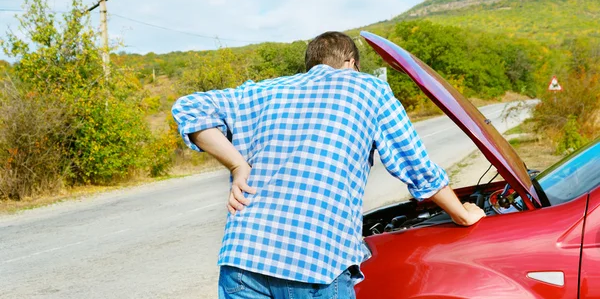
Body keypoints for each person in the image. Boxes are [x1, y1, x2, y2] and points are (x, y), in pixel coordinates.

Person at [172, 31, 485, 299]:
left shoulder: (264, 90)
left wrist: (237, 165)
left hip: (243, 258)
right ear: (352, 64)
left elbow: (189, 107)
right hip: (315, 260)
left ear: (311, 65)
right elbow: (415, 164)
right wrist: (462, 213)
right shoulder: (369, 89)